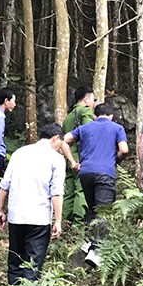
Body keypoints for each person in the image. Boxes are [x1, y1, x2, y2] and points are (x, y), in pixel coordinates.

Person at [0, 123, 67, 286]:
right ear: (55, 139)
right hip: (39, 219)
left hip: (16, 217)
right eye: (60, 144)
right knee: (33, 265)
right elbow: (56, 192)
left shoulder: (19, 153)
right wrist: (57, 220)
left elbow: (4, 184)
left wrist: (0, 209)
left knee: (15, 262)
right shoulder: (56, 159)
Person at [64, 102, 128, 229]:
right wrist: (116, 160)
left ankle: (89, 243)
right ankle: (99, 246)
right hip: (105, 173)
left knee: (92, 209)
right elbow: (124, 150)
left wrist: (72, 162)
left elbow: (65, 140)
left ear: (94, 115)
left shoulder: (84, 128)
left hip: (85, 173)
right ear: (111, 116)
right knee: (104, 212)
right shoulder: (117, 128)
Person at [61, 86, 95, 224]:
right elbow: (89, 133)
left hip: (68, 157)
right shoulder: (85, 112)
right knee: (81, 190)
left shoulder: (69, 116)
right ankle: (78, 223)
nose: (94, 103)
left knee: (69, 191)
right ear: (86, 99)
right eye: (93, 99)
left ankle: (65, 221)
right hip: (81, 158)